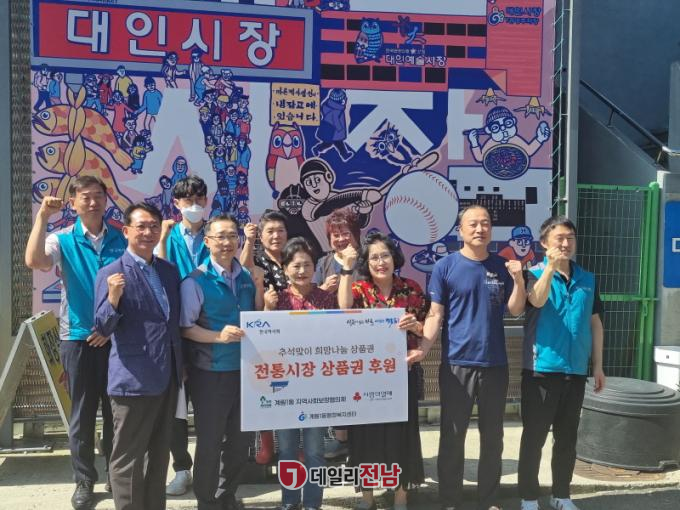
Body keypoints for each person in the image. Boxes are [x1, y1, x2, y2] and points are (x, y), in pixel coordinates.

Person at [407, 205, 526, 510]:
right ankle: (450, 500)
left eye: (485, 223)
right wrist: (423, 348)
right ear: (460, 230)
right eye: (472, 224)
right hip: (456, 365)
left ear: (491, 230)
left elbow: (516, 309)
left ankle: (489, 501)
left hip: (495, 364)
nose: (479, 229)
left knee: (493, 438)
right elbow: (435, 314)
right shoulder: (445, 267)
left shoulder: (502, 267)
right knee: (452, 436)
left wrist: (519, 279)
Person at [25, 176, 127, 510]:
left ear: (106, 200)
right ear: (73, 203)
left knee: (117, 412)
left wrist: (111, 327)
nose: (93, 202)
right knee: (81, 415)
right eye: (85, 197)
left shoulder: (122, 238)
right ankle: (84, 480)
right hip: (78, 338)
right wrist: (42, 217)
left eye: (98, 196)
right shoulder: (62, 238)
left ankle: (115, 475)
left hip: (116, 338)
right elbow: (35, 261)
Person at [94, 203, 183, 510]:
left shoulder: (168, 271)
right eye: (141, 226)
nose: (148, 232)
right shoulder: (111, 273)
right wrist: (114, 297)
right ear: (126, 230)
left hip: (168, 376)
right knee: (128, 458)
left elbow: (171, 322)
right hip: (132, 379)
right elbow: (102, 327)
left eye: (154, 226)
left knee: (159, 454)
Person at [518, 216, 606, 510]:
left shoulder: (587, 279)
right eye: (559, 238)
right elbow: (537, 301)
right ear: (544, 243)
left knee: (567, 438)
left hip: (575, 370)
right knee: (534, 438)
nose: (566, 243)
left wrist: (597, 365)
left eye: (570, 238)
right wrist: (550, 269)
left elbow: (595, 323)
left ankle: (561, 495)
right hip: (541, 370)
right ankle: (529, 497)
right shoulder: (533, 274)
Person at [338, 232, 428, 510]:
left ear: (394, 258)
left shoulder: (411, 288)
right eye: (374, 258)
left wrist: (416, 326)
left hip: (402, 374)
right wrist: (346, 269)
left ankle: (401, 494)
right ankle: (367, 497)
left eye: (385, 256)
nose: (380, 262)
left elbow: (427, 329)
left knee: (402, 435)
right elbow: (344, 309)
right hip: (367, 376)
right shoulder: (359, 289)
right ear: (366, 263)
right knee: (365, 436)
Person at [180, 214, 264, 510]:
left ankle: (226, 495)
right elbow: (186, 328)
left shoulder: (246, 276)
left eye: (232, 236)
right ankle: (206, 501)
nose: (227, 242)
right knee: (210, 442)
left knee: (241, 442)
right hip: (211, 373)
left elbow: (257, 317)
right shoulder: (195, 281)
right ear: (207, 241)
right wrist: (218, 336)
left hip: (246, 371)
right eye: (220, 237)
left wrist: (262, 294)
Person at [264, 237, 336, 510]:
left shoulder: (325, 298)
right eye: (296, 265)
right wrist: (267, 308)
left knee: (316, 450)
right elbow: (264, 340)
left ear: (314, 268)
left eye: (307, 265)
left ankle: (313, 504)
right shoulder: (277, 299)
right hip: (284, 388)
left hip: (317, 388)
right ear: (285, 269)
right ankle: (289, 503)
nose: (302, 270)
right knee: (287, 450)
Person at [155, 175, 210, 496]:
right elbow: (158, 273)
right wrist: (162, 238)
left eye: (199, 199)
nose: (194, 205)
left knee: (210, 406)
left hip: (210, 329)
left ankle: (208, 466)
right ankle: (181, 468)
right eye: (188, 200)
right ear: (176, 204)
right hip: (175, 334)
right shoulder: (167, 235)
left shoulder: (217, 234)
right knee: (176, 408)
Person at [240, 210, 290, 464]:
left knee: (291, 391)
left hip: (295, 334)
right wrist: (248, 241)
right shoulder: (256, 259)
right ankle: (267, 445)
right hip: (264, 334)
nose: (276, 236)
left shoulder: (294, 257)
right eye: (270, 231)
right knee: (266, 391)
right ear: (261, 235)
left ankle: (291, 445)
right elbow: (243, 266)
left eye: (280, 230)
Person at [311, 208, 361, 460]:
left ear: (356, 234)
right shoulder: (324, 263)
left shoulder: (368, 259)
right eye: (335, 234)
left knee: (362, 391)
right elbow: (311, 298)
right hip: (332, 339)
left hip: (363, 338)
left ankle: (362, 442)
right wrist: (323, 288)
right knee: (338, 390)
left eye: (345, 233)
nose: (341, 239)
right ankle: (341, 439)